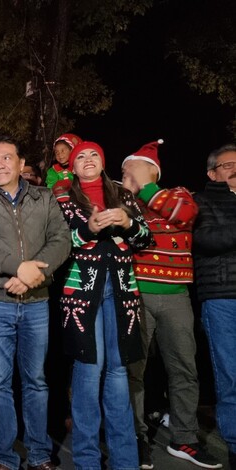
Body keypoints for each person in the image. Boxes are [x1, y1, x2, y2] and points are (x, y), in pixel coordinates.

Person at [0, 135, 70, 470]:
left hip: (36, 300)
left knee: (35, 380)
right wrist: (15, 266)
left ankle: (38, 453)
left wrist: (32, 274)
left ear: (21, 164)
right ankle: (5, 457)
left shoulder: (44, 197)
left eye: (6, 158)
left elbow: (61, 239)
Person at [122, 140, 221, 469]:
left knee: (183, 370)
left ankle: (185, 439)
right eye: (124, 169)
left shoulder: (177, 194)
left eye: (130, 168)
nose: (125, 174)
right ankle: (136, 438)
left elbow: (184, 214)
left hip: (176, 295)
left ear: (152, 172)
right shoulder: (126, 205)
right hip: (137, 295)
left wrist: (146, 185)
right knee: (133, 371)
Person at [53, 141, 151, 470]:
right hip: (82, 292)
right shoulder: (61, 196)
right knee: (87, 372)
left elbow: (146, 238)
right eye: (81, 156)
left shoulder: (123, 194)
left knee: (120, 372)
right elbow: (57, 243)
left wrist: (127, 223)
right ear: (74, 166)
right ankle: (87, 461)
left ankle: (125, 462)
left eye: (94, 154)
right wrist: (87, 228)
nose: (88, 159)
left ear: (103, 160)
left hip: (123, 290)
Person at [193, 143, 236, 470]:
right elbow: (206, 241)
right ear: (212, 173)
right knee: (230, 374)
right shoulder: (202, 201)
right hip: (223, 297)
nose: (235, 168)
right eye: (228, 165)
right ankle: (235, 443)